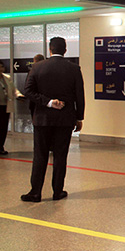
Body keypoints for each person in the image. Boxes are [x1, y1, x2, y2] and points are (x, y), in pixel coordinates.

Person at [21, 37, 84, 202]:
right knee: (60, 156)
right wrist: (79, 118)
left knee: (40, 155)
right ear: (65, 50)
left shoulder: (37, 67)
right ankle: (58, 191)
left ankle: (35, 192)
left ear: (50, 49)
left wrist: (48, 102)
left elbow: (28, 91)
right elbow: (80, 96)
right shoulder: (74, 69)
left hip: (42, 119)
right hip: (65, 119)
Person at [0, 61, 24, 155]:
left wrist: (19, 96)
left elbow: (14, 90)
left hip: (5, 106)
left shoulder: (7, 78)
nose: (1, 69)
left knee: (3, 127)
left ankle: (1, 146)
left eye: (2, 67)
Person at [28, 54, 45, 119]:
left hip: (34, 101)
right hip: (45, 101)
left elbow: (28, 88)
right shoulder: (47, 71)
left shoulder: (32, 72)